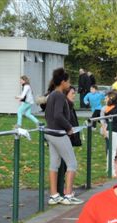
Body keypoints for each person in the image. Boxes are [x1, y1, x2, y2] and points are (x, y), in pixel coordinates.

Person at [44, 68, 83, 205]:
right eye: (68, 81)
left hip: (50, 133)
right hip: (59, 134)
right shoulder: (60, 95)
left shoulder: (52, 95)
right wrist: (69, 127)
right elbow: (58, 115)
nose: (69, 84)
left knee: (54, 164)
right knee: (72, 163)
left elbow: (50, 114)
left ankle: (54, 195)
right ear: (63, 82)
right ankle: (68, 195)